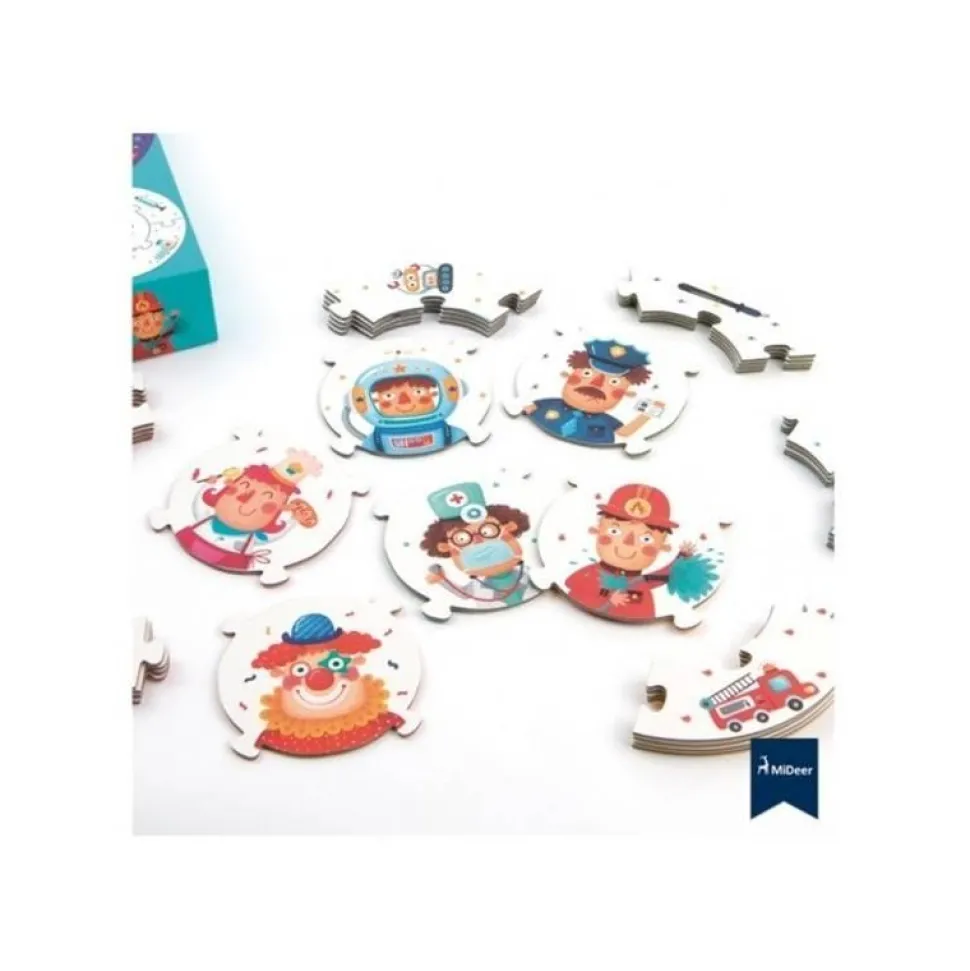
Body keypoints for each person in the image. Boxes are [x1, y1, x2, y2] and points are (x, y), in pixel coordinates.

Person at [564, 483, 717, 621]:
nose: (628, 542)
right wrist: (608, 597)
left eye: (646, 539)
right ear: (598, 530)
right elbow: (581, 588)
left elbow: (665, 575)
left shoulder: (642, 580)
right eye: (614, 531)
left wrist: (681, 557)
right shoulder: (589, 574)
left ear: (662, 545)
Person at [175, 449, 321, 571]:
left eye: (266, 499)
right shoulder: (205, 516)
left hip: (232, 559)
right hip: (191, 539)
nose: (246, 501)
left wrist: (294, 519)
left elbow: (276, 535)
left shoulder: (258, 537)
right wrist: (209, 483)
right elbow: (198, 501)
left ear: (275, 513)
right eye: (244, 486)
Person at [524, 339, 664, 445]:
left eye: (613, 382)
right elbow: (529, 406)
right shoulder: (549, 404)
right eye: (587, 374)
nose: (596, 384)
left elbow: (625, 432)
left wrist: (649, 413)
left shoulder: (606, 421)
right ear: (567, 376)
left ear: (626, 394)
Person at [420, 482, 533, 606]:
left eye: (487, 531)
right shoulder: (477, 588)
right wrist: (442, 580)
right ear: (444, 547)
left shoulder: (530, 574)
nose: (479, 541)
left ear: (510, 527)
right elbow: (463, 593)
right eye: (462, 539)